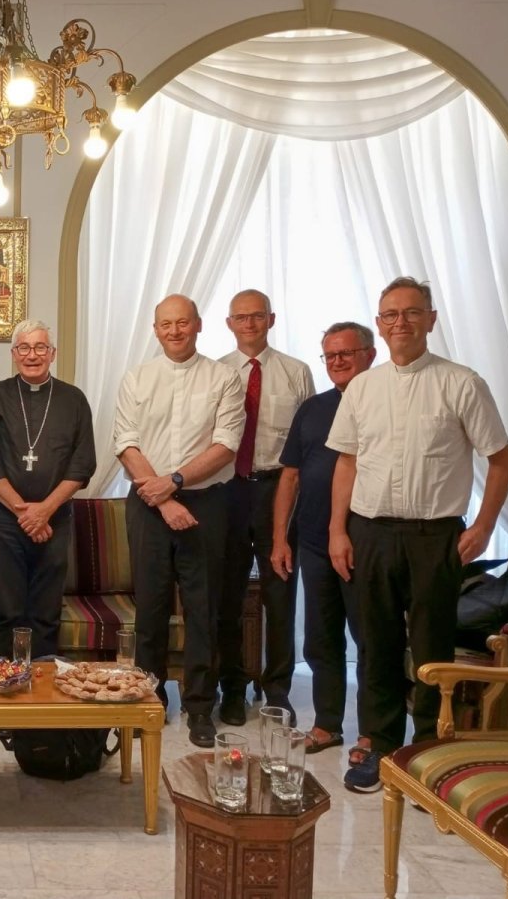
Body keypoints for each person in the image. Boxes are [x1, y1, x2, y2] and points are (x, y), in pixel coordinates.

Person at [327, 277, 508, 793]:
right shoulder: (363, 386)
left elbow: (501, 460)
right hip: (370, 532)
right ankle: (380, 748)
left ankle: (429, 752)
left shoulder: (462, 382)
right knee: (375, 645)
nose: (400, 323)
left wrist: (481, 527)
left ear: (431, 319)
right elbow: (347, 461)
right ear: (379, 324)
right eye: (390, 314)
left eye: (412, 313)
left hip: (437, 537)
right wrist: (337, 531)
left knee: (432, 648)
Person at [113, 295, 245, 747]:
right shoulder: (138, 378)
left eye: (182, 323)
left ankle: (200, 707)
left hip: (206, 504)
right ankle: (149, 700)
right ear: (155, 329)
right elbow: (126, 442)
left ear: (198, 326)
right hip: (149, 503)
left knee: (203, 609)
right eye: (166, 324)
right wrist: (163, 495)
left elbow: (226, 444)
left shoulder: (224, 378)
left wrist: (175, 481)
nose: (174, 331)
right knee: (149, 608)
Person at [271, 322, 377, 757]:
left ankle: (372, 732)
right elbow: (290, 475)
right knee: (320, 638)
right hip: (313, 542)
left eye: (345, 354)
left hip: (366, 541)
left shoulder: (382, 401)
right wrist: (280, 538)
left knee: (370, 639)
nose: (336, 363)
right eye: (329, 356)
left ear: (369, 354)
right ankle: (328, 724)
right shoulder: (312, 408)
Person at [216, 289, 314, 726]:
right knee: (228, 595)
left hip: (279, 490)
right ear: (229, 323)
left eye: (257, 317)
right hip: (227, 491)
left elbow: (309, 443)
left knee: (280, 594)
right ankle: (232, 688)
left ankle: (277, 689)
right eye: (241, 317)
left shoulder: (297, 372)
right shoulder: (214, 372)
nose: (249, 324)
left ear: (271, 320)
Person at [0, 320, 96, 660]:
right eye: (24, 348)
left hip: (55, 520)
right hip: (3, 521)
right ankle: (3, 690)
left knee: (45, 612)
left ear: (52, 353)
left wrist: (44, 511)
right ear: (13, 354)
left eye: (40, 347)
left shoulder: (73, 399)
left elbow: (83, 464)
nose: (32, 355)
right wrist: (24, 512)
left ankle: (41, 695)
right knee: (8, 610)